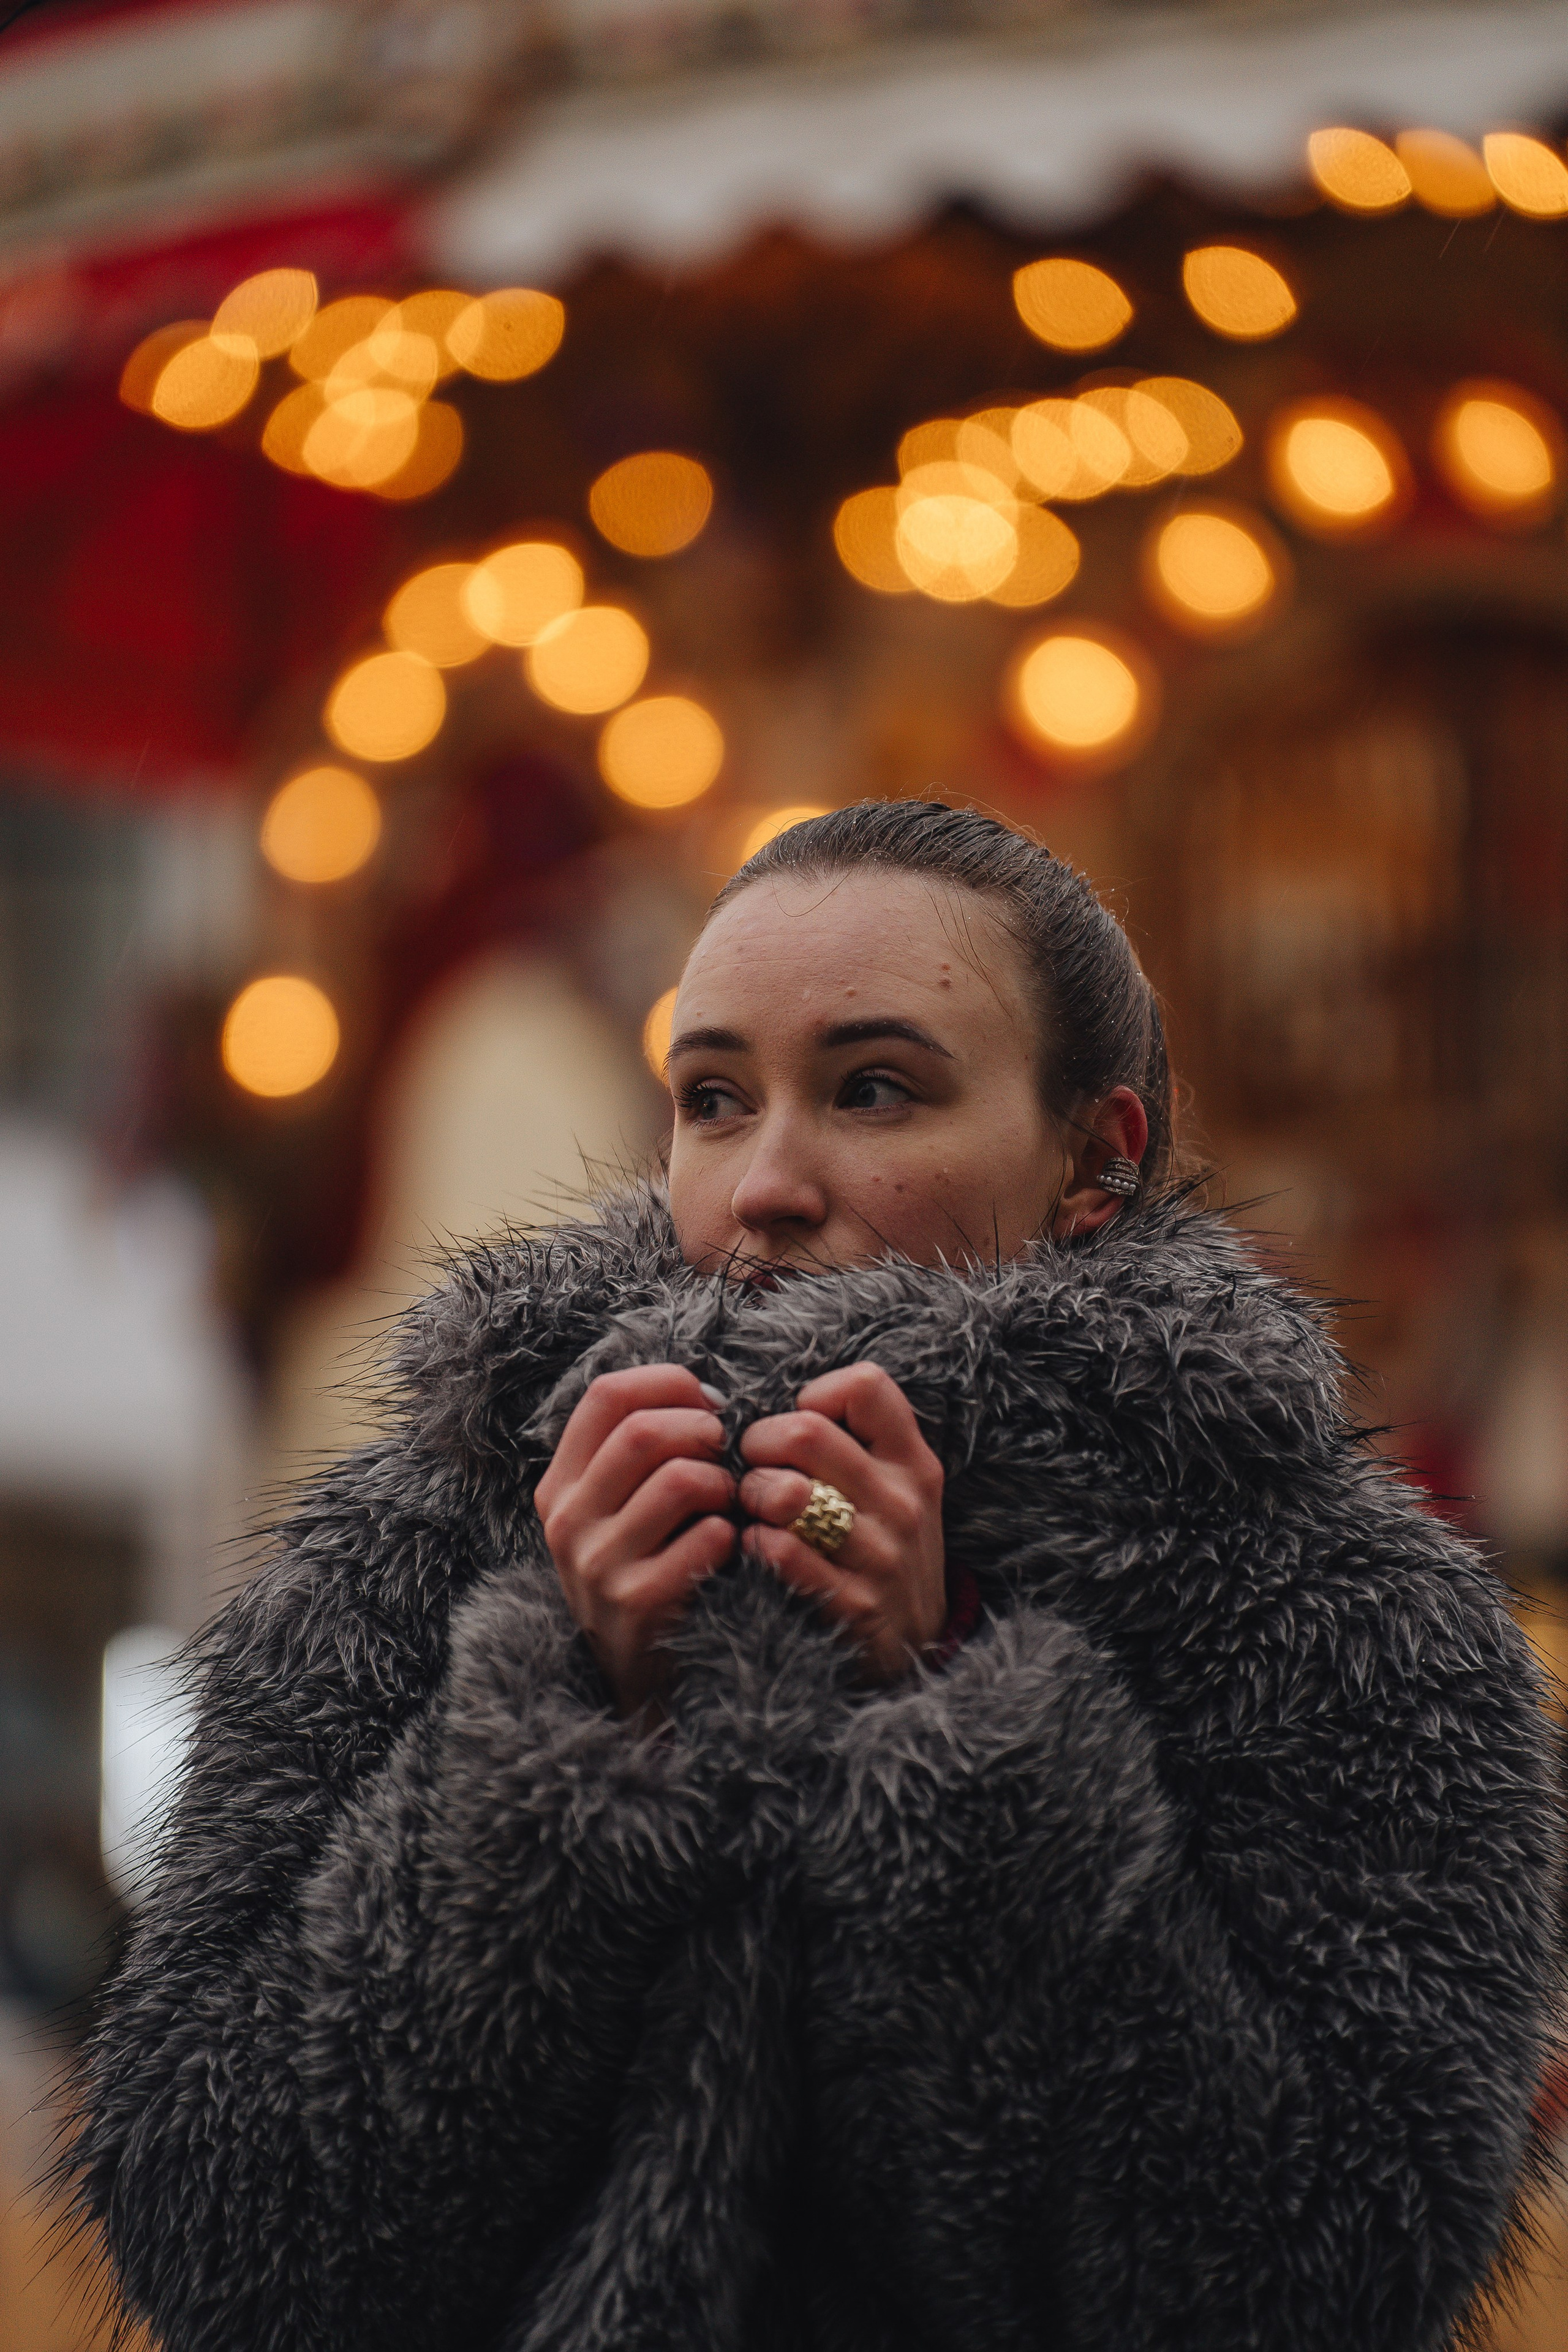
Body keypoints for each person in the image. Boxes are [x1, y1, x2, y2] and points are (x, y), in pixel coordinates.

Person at [68, 801, 1558, 2352]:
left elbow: (1321, 2273)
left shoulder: (1337, 1616)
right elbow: (223, 2243)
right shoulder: (419, 1547)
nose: (765, 1180)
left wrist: (961, 1731)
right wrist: (567, 1738)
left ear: (1093, 1161)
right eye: (712, 1097)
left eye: (871, 1090)